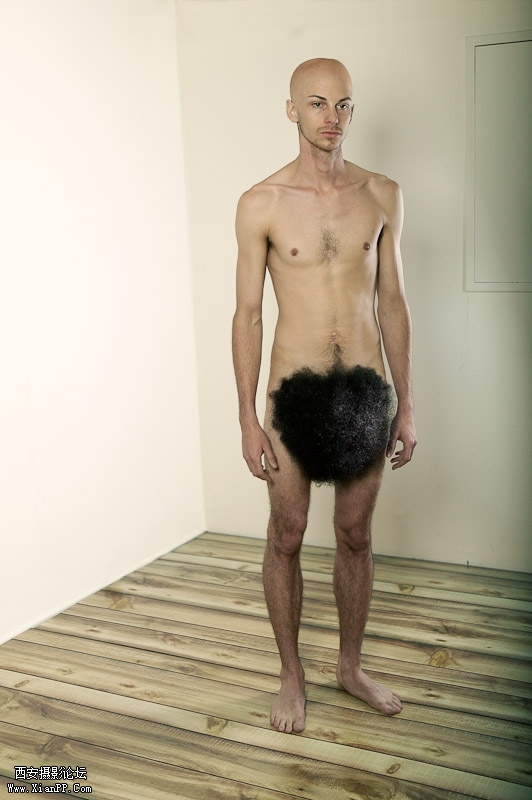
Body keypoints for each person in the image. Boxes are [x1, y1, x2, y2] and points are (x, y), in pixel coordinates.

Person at [232, 58, 417, 734]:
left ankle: (349, 666)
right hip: (292, 397)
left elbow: (393, 304)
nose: (331, 117)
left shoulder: (382, 194)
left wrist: (407, 405)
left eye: (342, 105)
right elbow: (248, 315)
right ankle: (291, 675)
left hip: (365, 392)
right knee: (285, 535)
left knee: (355, 535)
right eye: (316, 103)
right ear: (292, 110)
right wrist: (247, 419)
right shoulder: (262, 203)